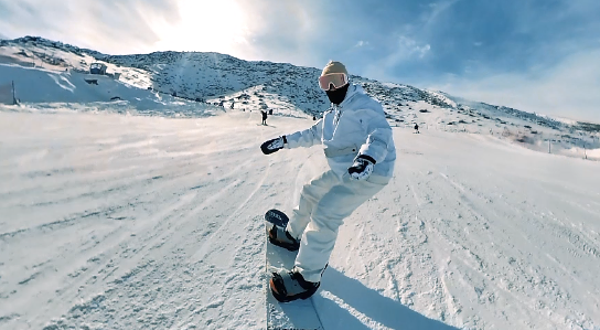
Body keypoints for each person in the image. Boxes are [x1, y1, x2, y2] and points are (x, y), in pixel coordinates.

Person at [260, 61, 396, 302]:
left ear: (347, 81)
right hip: (345, 169)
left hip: (371, 170)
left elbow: (379, 133)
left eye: (337, 81)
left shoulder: (364, 106)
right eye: (326, 83)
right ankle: (292, 235)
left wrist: (368, 158)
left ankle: (306, 279)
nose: (332, 88)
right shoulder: (331, 116)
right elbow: (310, 134)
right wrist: (283, 140)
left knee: (326, 213)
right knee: (311, 191)